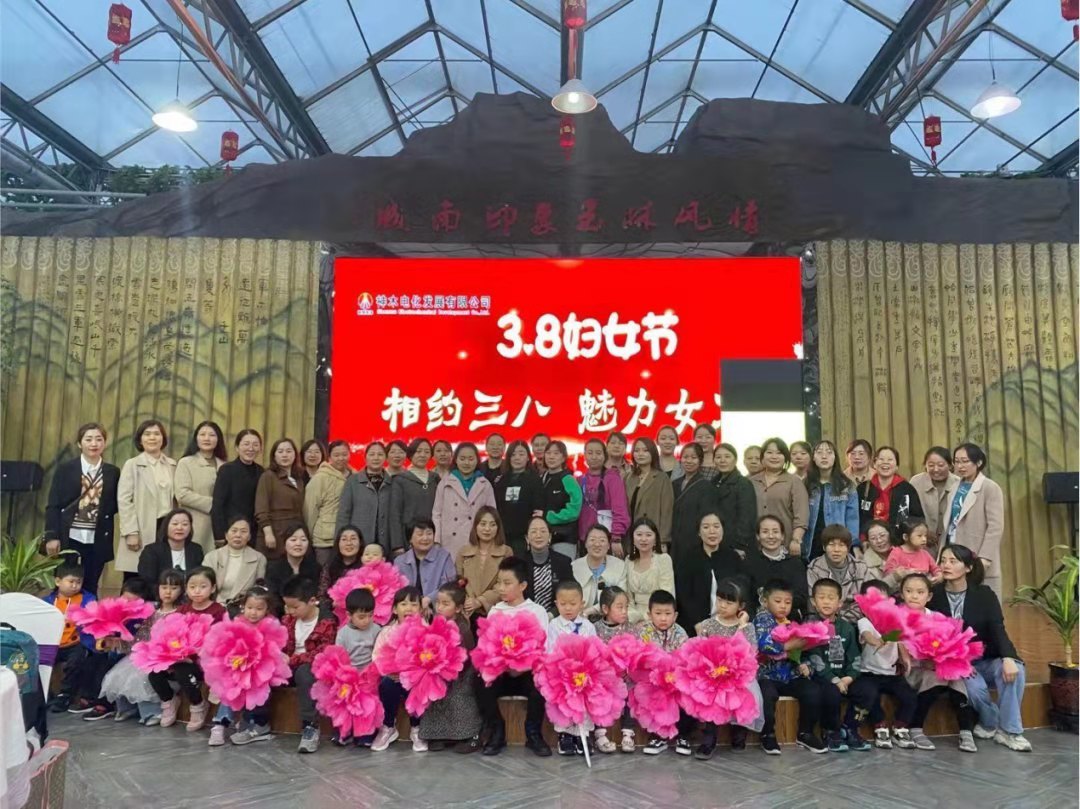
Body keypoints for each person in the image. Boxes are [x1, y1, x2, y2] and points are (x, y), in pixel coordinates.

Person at [931, 545, 1031, 752]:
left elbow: (997, 628)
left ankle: (1010, 731)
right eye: (943, 560)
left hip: (986, 657)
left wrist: (1008, 657)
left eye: (953, 561)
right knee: (975, 690)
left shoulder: (984, 594)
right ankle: (989, 721)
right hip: (955, 662)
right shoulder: (934, 595)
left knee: (1016, 671)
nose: (946, 565)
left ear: (968, 567)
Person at [475, 556, 552, 757]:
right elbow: (486, 646)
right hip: (502, 673)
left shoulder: (537, 611)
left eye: (507, 583)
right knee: (478, 679)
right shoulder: (495, 611)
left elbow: (542, 649)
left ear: (522, 585)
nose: (501, 588)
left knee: (542, 680)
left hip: (527, 673)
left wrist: (522, 666)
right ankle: (497, 730)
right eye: (499, 582)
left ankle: (533, 733)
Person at [900, 572, 979, 753]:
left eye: (920, 592)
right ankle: (916, 728)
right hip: (912, 668)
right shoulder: (897, 617)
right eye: (909, 591)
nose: (914, 596)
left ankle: (966, 731)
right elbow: (896, 645)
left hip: (937, 666)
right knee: (935, 677)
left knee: (956, 679)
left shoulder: (937, 617)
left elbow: (952, 642)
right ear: (901, 593)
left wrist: (960, 663)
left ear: (929, 596)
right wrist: (924, 661)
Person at [43, 422, 120, 596]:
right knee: (64, 584)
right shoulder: (66, 470)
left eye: (99, 439)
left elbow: (114, 504)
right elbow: (54, 504)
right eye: (88, 439)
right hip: (69, 535)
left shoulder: (112, 472)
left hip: (97, 537)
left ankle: (87, 613)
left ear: (104, 443)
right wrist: (52, 536)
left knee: (91, 585)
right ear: (80, 443)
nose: (94, 444)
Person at [692, 577, 763, 759]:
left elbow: (751, 651)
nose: (723, 605)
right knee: (711, 701)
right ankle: (708, 741)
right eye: (720, 600)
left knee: (743, 696)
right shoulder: (708, 624)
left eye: (729, 602)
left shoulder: (746, 627)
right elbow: (700, 649)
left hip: (738, 675)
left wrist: (742, 625)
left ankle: (738, 736)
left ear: (741, 606)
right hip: (713, 675)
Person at [147, 566, 226, 731]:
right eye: (192, 586)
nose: (197, 591)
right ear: (186, 588)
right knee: (154, 671)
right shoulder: (182, 610)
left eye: (203, 586)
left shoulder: (218, 611)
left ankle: (198, 704)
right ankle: (169, 700)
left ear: (212, 588)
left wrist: (194, 655)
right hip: (180, 658)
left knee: (183, 671)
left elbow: (220, 641)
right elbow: (171, 635)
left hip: (204, 662)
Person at [754, 579, 828, 755]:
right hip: (767, 675)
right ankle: (768, 734)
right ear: (765, 601)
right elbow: (764, 645)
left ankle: (805, 733)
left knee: (812, 691)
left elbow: (801, 651)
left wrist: (805, 664)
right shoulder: (762, 619)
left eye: (787, 602)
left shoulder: (791, 621)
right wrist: (790, 645)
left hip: (789, 675)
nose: (783, 606)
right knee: (767, 695)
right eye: (778, 601)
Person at [101, 570, 184, 726]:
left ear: (181, 590)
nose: (168, 592)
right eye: (164, 587)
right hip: (145, 654)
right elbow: (140, 639)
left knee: (140, 678)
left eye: (173, 588)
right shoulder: (151, 612)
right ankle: (128, 708)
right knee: (118, 674)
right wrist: (117, 643)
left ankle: (153, 711)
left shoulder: (182, 612)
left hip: (166, 657)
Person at [847, 579, 917, 750]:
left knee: (910, 696)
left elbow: (900, 641)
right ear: (863, 605)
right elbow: (867, 635)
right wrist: (877, 641)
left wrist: (905, 658)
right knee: (870, 695)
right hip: (869, 673)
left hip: (892, 675)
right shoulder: (864, 622)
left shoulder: (895, 621)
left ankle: (900, 726)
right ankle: (880, 726)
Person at [208, 586, 278, 746]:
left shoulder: (271, 626)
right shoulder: (237, 623)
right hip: (240, 667)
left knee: (255, 689)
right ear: (243, 607)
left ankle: (256, 725)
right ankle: (220, 724)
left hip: (262, 669)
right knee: (229, 687)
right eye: (250, 607)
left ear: (267, 610)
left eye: (259, 609)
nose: (253, 612)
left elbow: (273, 649)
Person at [419, 583, 483, 752]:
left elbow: (466, 657)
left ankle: (471, 735)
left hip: (462, 673)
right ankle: (439, 736)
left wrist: (448, 670)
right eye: (438, 603)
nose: (439, 607)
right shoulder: (437, 622)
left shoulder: (463, 627)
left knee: (458, 697)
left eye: (445, 604)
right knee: (435, 696)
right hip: (441, 671)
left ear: (458, 608)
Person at [281, 575, 337, 754]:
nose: (290, 611)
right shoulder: (288, 620)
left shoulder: (327, 621)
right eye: (287, 606)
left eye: (295, 607)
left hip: (312, 667)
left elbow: (322, 653)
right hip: (288, 664)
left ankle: (310, 726)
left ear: (312, 601)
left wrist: (292, 660)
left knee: (304, 673)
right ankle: (256, 722)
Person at [804, 578, 861, 752]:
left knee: (867, 690)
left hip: (844, 677)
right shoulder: (810, 625)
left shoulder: (847, 628)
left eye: (831, 598)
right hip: (822, 677)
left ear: (840, 603)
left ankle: (850, 727)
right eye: (821, 597)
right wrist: (835, 680)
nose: (826, 602)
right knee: (831, 693)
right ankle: (831, 731)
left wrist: (849, 677)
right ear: (814, 601)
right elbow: (815, 659)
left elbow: (855, 657)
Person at [943, 443, 1006, 598]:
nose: (960, 466)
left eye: (965, 461)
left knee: (981, 602)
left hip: (977, 555)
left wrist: (984, 559)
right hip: (954, 552)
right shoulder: (955, 486)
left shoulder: (990, 487)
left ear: (978, 462)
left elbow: (995, 527)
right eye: (957, 461)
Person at [117, 419, 177, 578]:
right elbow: (124, 500)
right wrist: (131, 531)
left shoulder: (172, 465)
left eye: (157, 434)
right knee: (136, 577)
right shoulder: (132, 465)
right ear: (140, 439)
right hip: (142, 527)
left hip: (166, 528)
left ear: (163, 438)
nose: (152, 438)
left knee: (163, 575)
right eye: (147, 434)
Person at [635, 590, 692, 756]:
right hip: (652, 679)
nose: (663, 618)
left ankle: (683, 736)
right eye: (658, 613)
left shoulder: (680, 633)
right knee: (651, 695)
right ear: (649, 614)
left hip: (676, 679)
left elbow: (685, 660)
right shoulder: (643, 632)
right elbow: (640, 658)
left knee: (688, 695)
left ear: (675, 615)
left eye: (667, 614)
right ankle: (658, 737)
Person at [546, 580, 599, 757]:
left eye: (573, 603)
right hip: (562, 673)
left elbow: (594, 649)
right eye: (563, 604)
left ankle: (583, 735)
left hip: (584, 674)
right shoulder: (554, 625)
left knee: (584, 703)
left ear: (582, 604)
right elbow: (551, 650)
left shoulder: (588, 626)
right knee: (564, 704)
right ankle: (565, 735)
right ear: (556, 604)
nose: (568, 608)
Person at [371, 586, 426, 752]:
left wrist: (411, 674)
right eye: (403, 604)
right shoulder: (386, 632)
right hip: (393, 678)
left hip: (416, 678)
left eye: (414, 604)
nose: (409, 608)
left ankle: (416, 728)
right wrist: (390, 672)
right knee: (386, 684)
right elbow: (377, 657)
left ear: (420, 610)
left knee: (418, 687)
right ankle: (388, 726)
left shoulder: (426, 630)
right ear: (395, 609)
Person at [675, 513, 742, 636]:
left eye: (716, 526)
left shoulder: (733, 558)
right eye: (706, 527)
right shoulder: (688, 559)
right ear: (699, 532)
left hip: (729, 621)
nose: (712, 531)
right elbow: (683, 595)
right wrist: (696, 623)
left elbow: (742, 590)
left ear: (723, 529)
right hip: (695, 623)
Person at [43, 561, 97, 714]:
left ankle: (65, 695)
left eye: (78, 582)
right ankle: (45, 695)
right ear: (58, 581)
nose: (75, 586)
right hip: (52, 643)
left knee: (76, 661)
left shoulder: (87, 600)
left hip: (76, 643)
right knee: (38, 661)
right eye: (71, 581)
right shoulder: (47, 602)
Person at [330, 587, 381, 746]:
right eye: (361, 617)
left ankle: (365, 734)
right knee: (343, 699)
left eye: (370, 615)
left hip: (369, 675)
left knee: (367, 702)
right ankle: (344, 732)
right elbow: (339, 657)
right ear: (349, 615)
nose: (367, 620)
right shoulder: (343, 633)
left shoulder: (376, 629)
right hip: (348, 675)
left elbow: (379, 653)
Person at [432, 442, 497, 562]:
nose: (466, 463)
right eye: (462, 459)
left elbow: (492, 515)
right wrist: (436, 540)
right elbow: (436, 514)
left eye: (471, 459)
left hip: (477, 540)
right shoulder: (445, 482)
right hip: (449, 541)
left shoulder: (485, 484)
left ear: (477, 460)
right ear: (456, 460)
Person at [749, 438, 809, 560]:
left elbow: (801, 516)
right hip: (755, 545)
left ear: (786, 457)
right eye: (769, 452)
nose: (774, 456)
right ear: (763, 456)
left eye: (779, 453)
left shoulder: (794, 482)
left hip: (784, 545)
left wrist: (796, 540)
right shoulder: (750, 482)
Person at [594, 584, 637, 753]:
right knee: (597, 695)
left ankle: (628, 733)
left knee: (632, 692)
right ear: (605, 609)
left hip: (625, 677)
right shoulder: (595, 629)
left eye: (626, 607)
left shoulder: (631, 629)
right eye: (619, 607)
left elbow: (636, 653)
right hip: (604, 679)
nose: (625, 611)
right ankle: (600, 734)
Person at [174, 421, 227, 555]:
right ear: (196, 438)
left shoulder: (225, 465)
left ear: (218, 439)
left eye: (212, 435)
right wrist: (215, 504)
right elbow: (182, 494)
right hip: (196, 523)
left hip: (220, 527)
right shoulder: (186, 462)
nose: (207, 438)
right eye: (202, 434)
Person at [803, 440, 859, 562]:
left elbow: (852, 518)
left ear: (835, 458)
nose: (824, 456)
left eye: (829, 452)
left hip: (837, 544)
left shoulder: (846, 485)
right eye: (819, 452)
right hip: (810, 544)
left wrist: (854, 544)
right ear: (813, 458)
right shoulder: (805, 484)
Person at [742, 515, 808, 616]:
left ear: (782, 536)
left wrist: (779, 603)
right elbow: (746, 596)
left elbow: (802, 597)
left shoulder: (795, 563)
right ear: (758, 536)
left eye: (775, 531)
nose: (771, 536)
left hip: (789, 619)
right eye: (765, 532)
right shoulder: (749, 562)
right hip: (757, 618)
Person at [456, 507, 514, 621]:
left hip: (495, 611)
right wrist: (467, 601)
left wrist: (480, 601)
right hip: (467, 611)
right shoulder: (463, 552)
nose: (487, 529)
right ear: (476, 526)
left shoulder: (506, 552)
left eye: (492, 525)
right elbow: (458, 581)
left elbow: (506, 583)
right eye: (483, 524)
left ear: (498, 528)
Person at [856, 445, 923, 542]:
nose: (885, 462)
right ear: (874, 464)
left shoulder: (907, 489)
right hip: (870, 542)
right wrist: (863, 540)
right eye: (881, 459)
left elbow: (917, 518)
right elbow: (857, 517)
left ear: (896, 466)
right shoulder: (863, 489)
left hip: (898, 543)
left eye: (890, 459)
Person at [577, 438, 630, 558]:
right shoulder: (580, 480)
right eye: (590, 453)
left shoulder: (612, 478)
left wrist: (616, 537)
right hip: (586, 540)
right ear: (584, 455)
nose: (594, 457)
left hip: (608, 539)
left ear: (604, 455)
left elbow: (620, 509)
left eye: (598, 453)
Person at [337, 442, 393, 555]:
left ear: (386, 458)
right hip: (359, 541)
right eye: (372, 454)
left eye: (380, 454)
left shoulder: (392, 482)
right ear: (365, 457)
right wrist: (340, 540)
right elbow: (344, 513)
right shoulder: (353, 481)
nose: (376, 458)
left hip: (384, 542)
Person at [670, 444, 723, 563]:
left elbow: (707, 517)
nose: (689, 461)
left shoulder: (706, 486)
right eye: (685, 457)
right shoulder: (674, 484)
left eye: (693, 457)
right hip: (675, 540)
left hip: (694, 541)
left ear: (700, 461)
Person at [805, 525, 869, 624]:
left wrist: (841, 622)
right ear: (824, 547)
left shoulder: (861, 567)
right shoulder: (814, 569)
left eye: (841, 545)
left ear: (848, 548)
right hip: (823, 621)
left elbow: (865, 600)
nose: (836, 550)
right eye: (831, 545)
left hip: (855, 620)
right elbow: (813, 602)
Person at [304, 439, 353, 565]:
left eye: (344, 454)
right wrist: (308, 537)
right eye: (336, 455)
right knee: (325, 573)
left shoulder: (355, 477)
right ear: (329, 457)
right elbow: (310, 510)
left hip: (349, 539)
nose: (341, 458)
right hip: (324, 539)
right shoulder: (320, 478)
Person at [254, 438, 305, 560]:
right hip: (275, 532)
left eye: (289, 451)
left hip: (294, 532)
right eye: (280, 451)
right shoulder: (268, 476)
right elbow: (261, 508)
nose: (285, 455)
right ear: (274, 456)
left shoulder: (298, 479)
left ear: (295, 455)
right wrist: (268, 533)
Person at [211, 429, 264, 545]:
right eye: (246, 444)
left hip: (253, 533)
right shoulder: (227, 470)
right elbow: (218, 505)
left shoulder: (261, 472)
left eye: (255, 445)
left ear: (260, 449)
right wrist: (219, 535)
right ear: (237, 447)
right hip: (231, 531)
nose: (251, 448)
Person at [493, 440, 544, 557]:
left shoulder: (535, 480)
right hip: (502, 535)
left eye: (521, 454)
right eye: (513, 454)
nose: (517, 458)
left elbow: (538, 507)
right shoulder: (501, 480)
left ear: (528, 457)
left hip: (525, 536)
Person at [389, 438, 439, 555]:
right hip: (408, 538)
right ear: (411, 454)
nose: (422, 455)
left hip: (432, 538)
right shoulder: (400, 479)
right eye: (418, 451)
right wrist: (397, 545)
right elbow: (394, 513)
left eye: (426, 452)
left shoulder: (435, 478)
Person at [624, 438, 674, 553]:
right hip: (631, 535)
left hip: (651, 535)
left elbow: (667, 512)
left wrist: (663, 540)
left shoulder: (662, 478)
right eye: (637, 450)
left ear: (653, 453)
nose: (640, 454)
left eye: (645, 450)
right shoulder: (629, 477)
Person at [203, 516, 266, 606]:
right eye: (234, 531)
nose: (238, 535)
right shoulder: (211, 557)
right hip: (214, 605)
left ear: (249, 536)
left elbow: (259, 590)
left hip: (244, 608)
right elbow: (203, 585)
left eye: (243, 531)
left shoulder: (259, 558)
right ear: (226, 535)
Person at [623, 517, 675, 624]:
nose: (643, 539)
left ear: (655, 538)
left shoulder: (664, 559)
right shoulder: (628, 560)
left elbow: (667, 593)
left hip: (659, 615)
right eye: (639, 535)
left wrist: (650, 618)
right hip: (634, 616)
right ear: (633, 538)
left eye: (648, 535)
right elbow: (628, 596)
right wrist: (634, 617)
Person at [909, 446, 959, 553]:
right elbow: (909, 513)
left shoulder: (958, 484)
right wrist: (924, 531)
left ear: (950, 465)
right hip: (922, 544)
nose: (936, 469)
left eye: (941, 465)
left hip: (952, 543)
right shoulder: (916, 482)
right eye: (931, 465)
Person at [571, 524, 626, 619]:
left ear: (608, 545)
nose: (597, 544)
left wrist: (591, 611)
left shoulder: (619, 566)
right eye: (592, 540)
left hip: (611, 617)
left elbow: (620, 596)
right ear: (585, 544)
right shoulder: (574, 567)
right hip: (579, 617)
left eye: (602, 540)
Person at [136, 508, 204, 585]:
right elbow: (148, 581)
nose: (179, 528)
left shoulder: (196, 550)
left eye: (185, 524)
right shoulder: (151, 551)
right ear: (166, 527)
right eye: (175, 524)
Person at [394, 519, 456, 603]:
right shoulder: (400, 561)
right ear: (410, 539)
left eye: (429, 533)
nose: (425, 538)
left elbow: (449, 585)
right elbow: (397, 590)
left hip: (438, 606)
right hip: (409, 607)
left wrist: (429, 599)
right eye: (420, 534)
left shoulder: (444, 557)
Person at [521, 516, 573, 616]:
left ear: (550, 537)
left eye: (543, 531)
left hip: (555, 617)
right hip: (525, 616)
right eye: (534, 531)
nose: (538, 535)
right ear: (527, 538)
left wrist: (551, 615)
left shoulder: (563, 562)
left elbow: (570, 593)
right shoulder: (518, 563)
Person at [540, 440, 583, 559]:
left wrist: (550, 516)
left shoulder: (568, 479)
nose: (551, 457)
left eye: (556, 453)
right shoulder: (542, 478)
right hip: (544, 537)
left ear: (563, 457)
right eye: (548, 453)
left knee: (563, 568)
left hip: (565, 537)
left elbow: (574, 510)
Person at [713, 443, 757, 558]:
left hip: (735, 544)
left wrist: (739, 544)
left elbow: (747, 518)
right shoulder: (712, 483)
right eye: (718, 457)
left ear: (735, 460)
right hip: (715, 540)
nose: (722, 460)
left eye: (727, 456)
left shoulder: (743, 483)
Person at [264, 523, 321, 599]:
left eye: (303, 540)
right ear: (284, 543)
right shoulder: (273, 568)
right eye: (293, 540)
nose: (298, 544)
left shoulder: (315, 568)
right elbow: (273, 597)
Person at [884, 519, 942, 584]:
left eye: (925, 536)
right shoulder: (897, 552)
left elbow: (935, 569)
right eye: (919, 536)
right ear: (905, 537)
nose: (924, 539)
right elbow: (888, 572)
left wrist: (939, 576)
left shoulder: (925, 553)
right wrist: (902, 573)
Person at [317, 525, 363, 599]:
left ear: (360, 543)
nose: (349, 543)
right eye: (344, 539)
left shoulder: (366, 566)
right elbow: (321, 595)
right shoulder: (329, 566)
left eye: (353, 539)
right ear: (338, 543)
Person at [860, 520, 901, 592]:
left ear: (890, 535)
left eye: (882, 535)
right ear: (868, 541)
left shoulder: (903, 552)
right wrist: (894, 577)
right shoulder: (864, 564)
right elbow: (872, 592)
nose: (879, 541)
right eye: (873, 538)